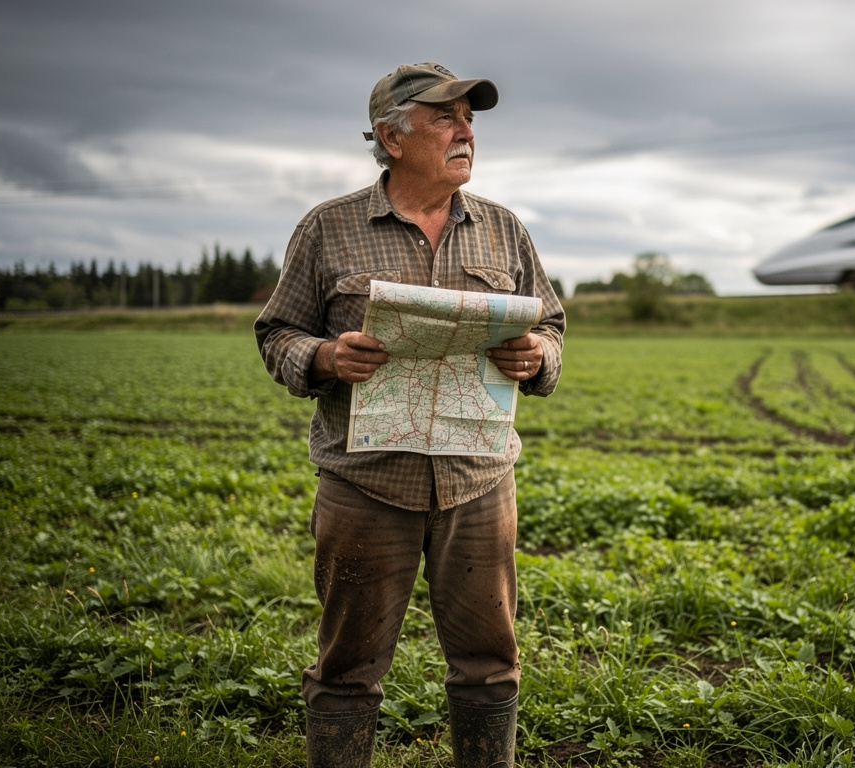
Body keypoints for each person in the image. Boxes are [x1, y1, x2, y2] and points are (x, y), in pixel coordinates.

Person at [255, 62, 565, 768]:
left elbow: (551, 324)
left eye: (470, 120)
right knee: (347, 670)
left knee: (490, 662)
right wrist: (328, 357)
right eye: (444, 118)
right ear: (393, 138)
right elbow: (277, 335)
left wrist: (536, 357)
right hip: (365, 485)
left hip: (479, 485)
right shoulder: (328, 228)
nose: (465, 133)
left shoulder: (503, 230)